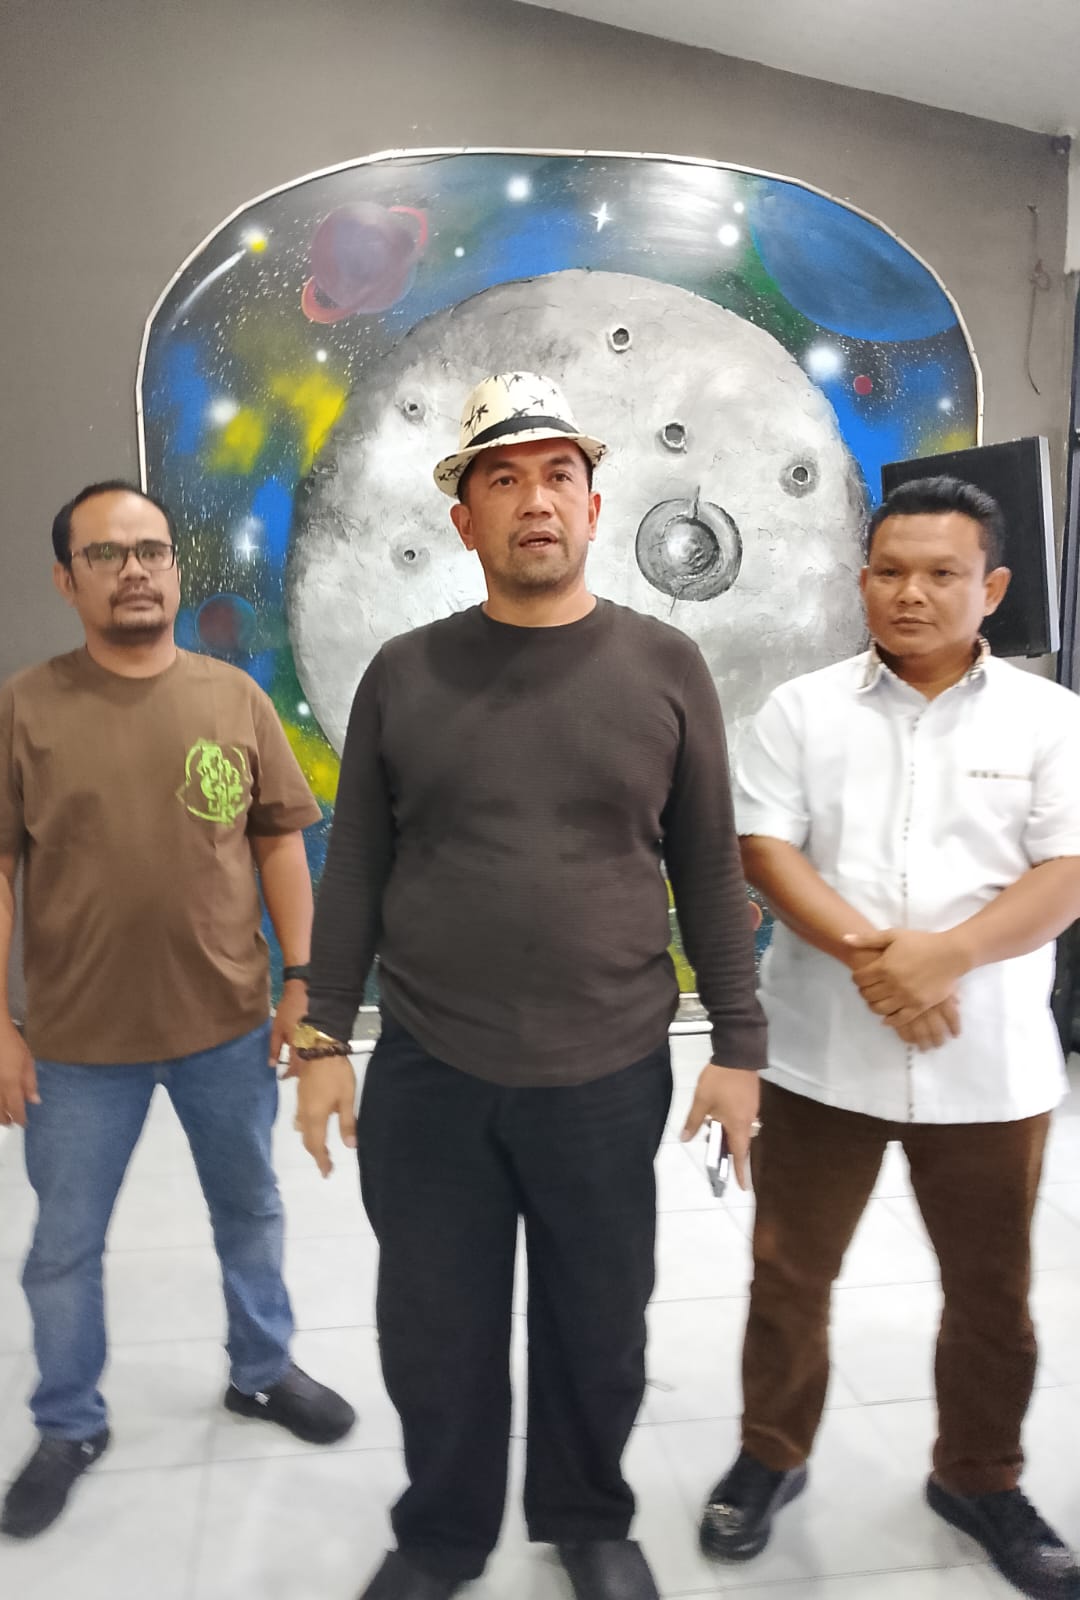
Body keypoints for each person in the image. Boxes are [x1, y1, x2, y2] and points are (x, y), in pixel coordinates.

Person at [290, 373, 767, 1600]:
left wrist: (740, 1046)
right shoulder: (404, 672)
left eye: (559, 475)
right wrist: (323, 1036)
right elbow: (357, 868)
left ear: (596, 507)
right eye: (503, 480)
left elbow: (709, 866)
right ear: (465, 521)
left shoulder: (666, 665)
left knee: (598, 1325)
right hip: (431, 1070)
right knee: (433, 1330)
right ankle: (441, 1533)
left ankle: (587, 1517)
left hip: (607, 1068)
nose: (535, 500)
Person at [0, 480, 355, 1540]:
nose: (134, 570)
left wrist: (303, 982)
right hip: (77, 1046)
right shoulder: (25, 709)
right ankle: (68, 1423)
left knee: (250, 1212)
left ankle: (262, 1370)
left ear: (174, 568)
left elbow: (279, 843)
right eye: (106, 554)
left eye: (152, 550)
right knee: (62, 1247)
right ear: (66, 578)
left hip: (228, 1026)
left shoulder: (234, 700)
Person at [699, 476, 1080, 1600]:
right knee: (788, 1274)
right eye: (891, 571)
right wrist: (884, 959)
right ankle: (771, 1454)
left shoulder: (1051, 720)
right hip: (824, 1056)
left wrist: (947, 957)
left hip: (988, 1062)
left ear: (991, 588)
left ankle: (980, 1476)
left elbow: (1066, 872)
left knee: (992, 1293)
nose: (911, 593)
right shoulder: (801, 709)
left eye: (941, 573)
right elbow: (766, 852)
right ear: (862, 579)